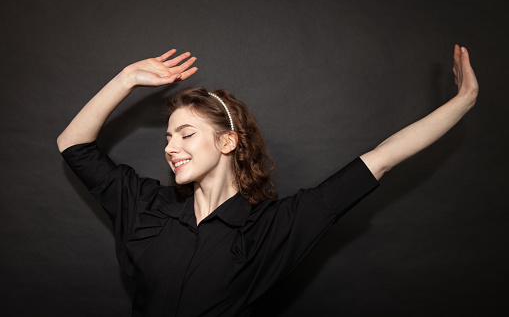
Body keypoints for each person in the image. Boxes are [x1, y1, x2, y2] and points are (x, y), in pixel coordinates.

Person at [57, 45, 478, 316]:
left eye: (186, 134)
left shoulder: (272, 227)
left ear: (227, 142)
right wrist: (128, 78)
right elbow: (73, 144)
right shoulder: (146, 207)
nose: (170, 146)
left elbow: (380, 160)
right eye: (167, 137)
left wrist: (464, 101)